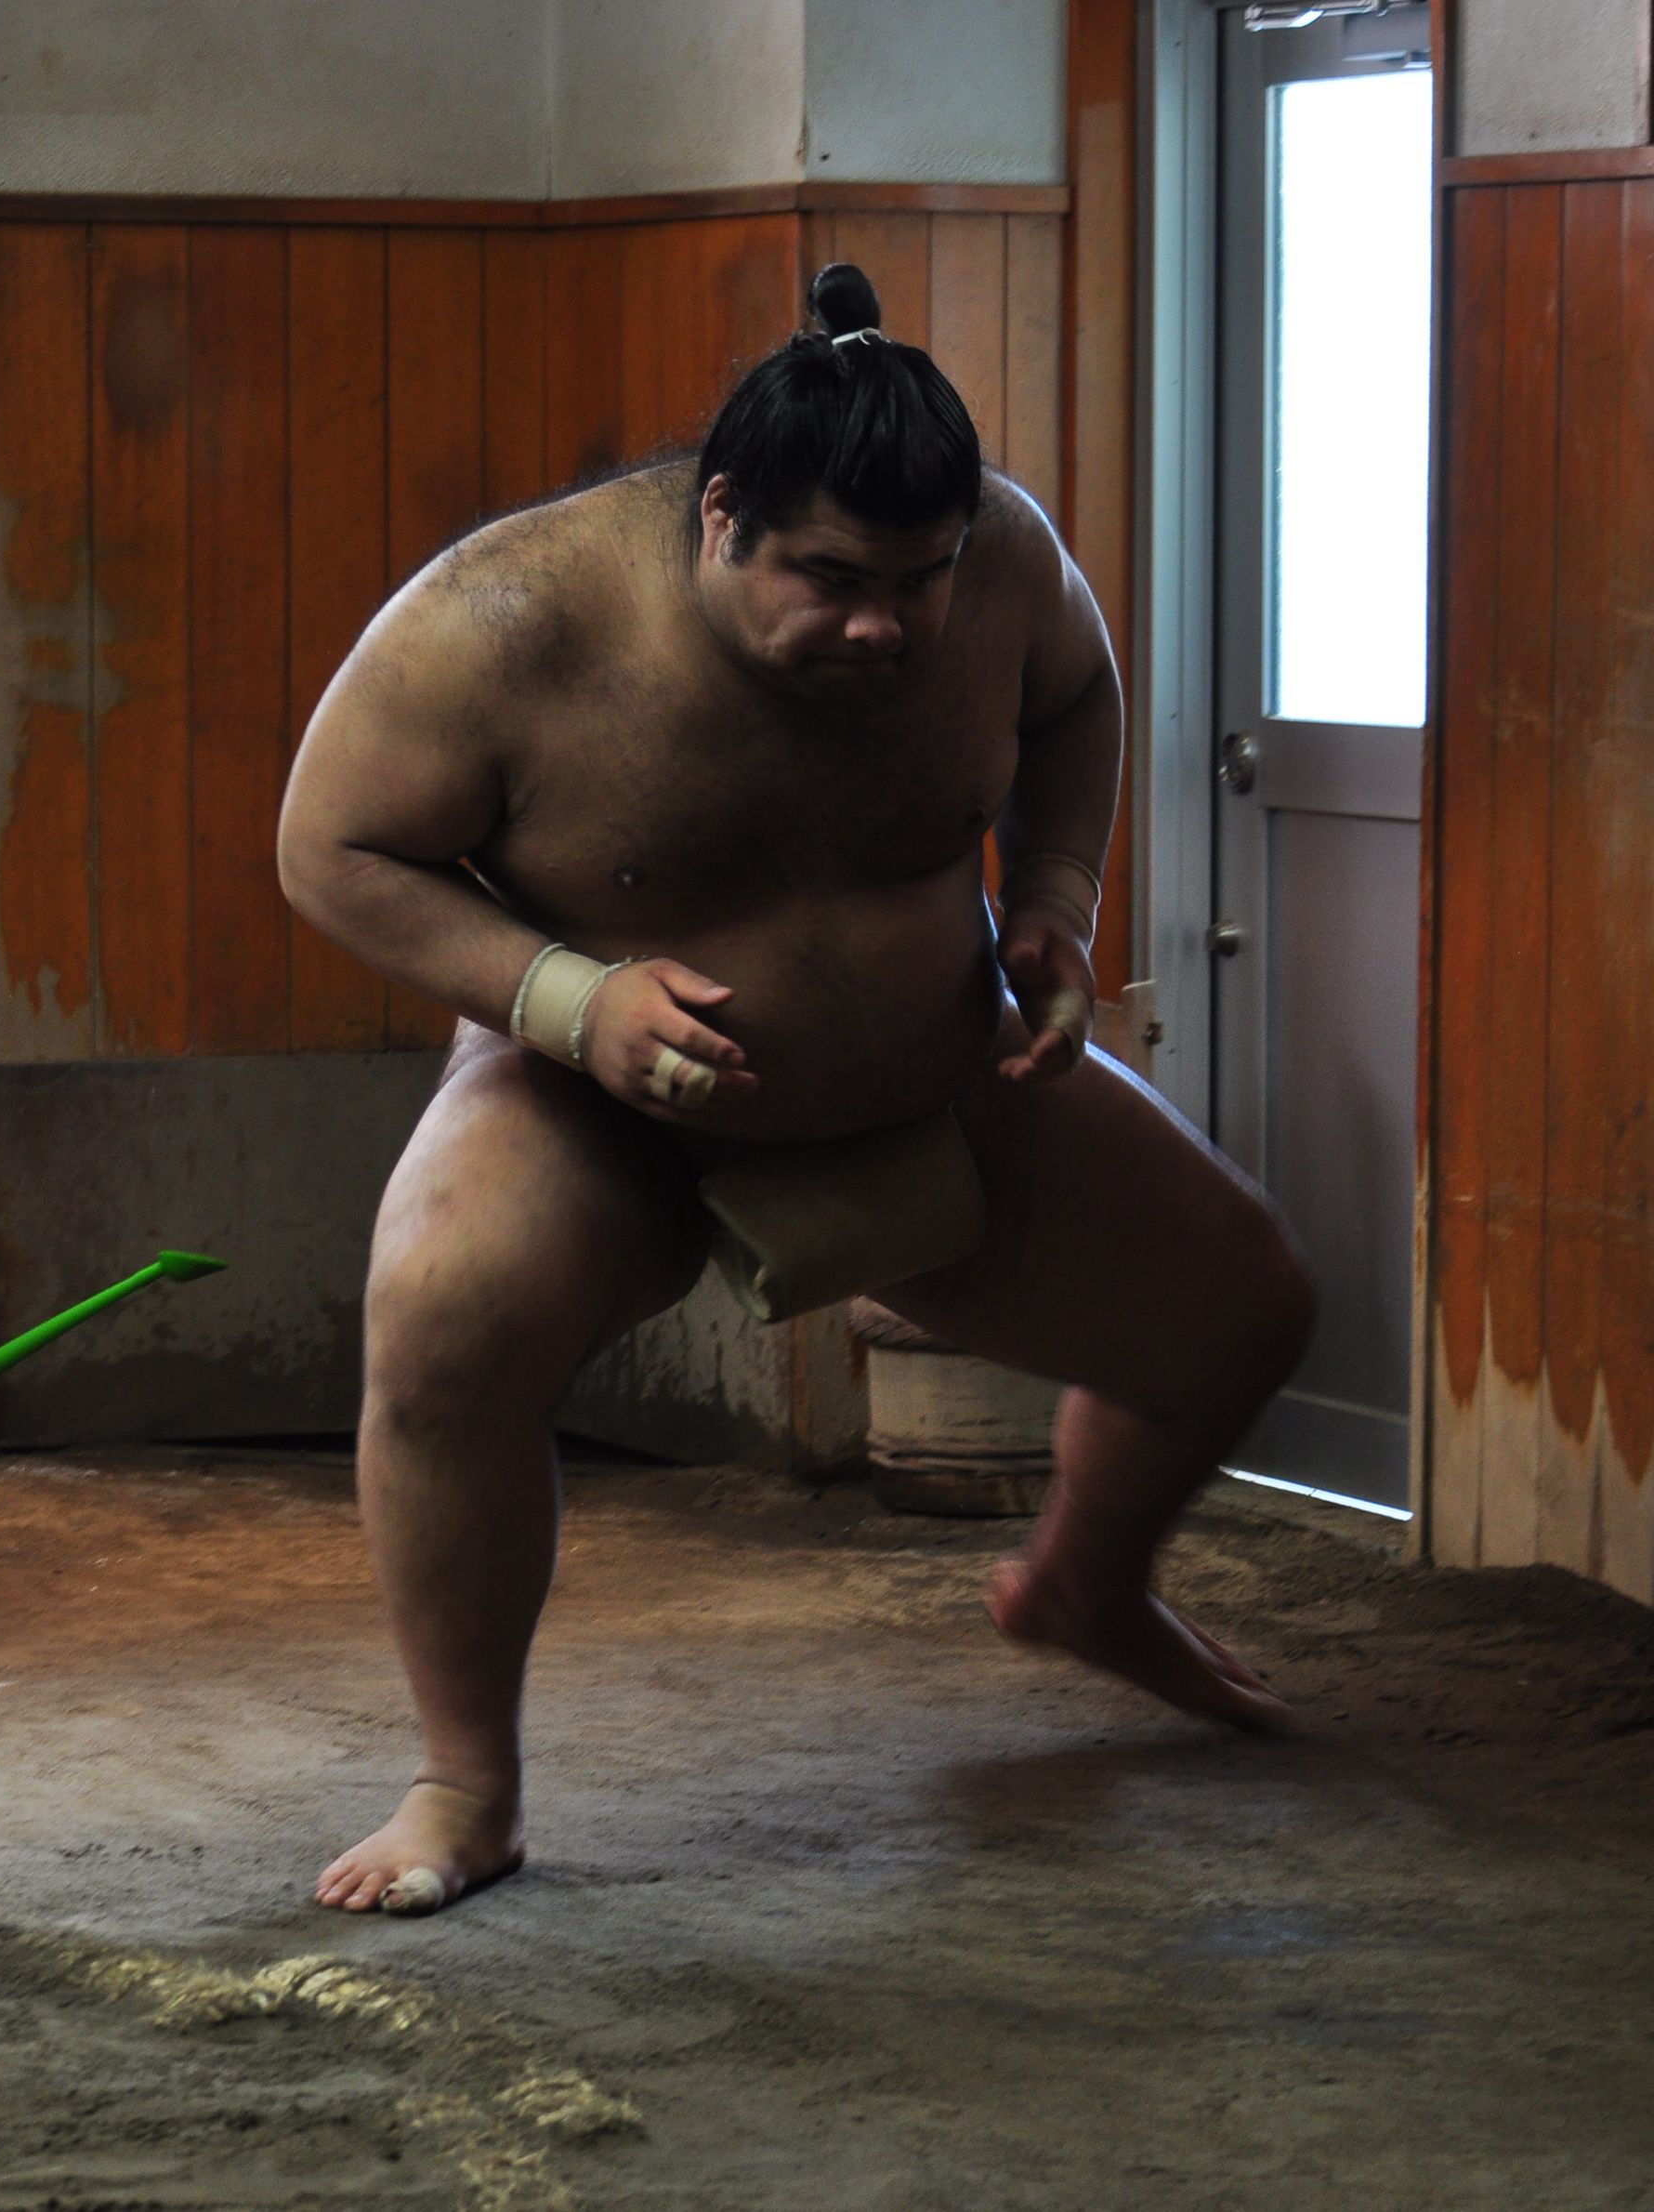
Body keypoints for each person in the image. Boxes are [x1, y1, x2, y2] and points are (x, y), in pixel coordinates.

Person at [277, 265, 1315, 1916]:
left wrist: (1053, 892)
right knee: (441, 1320)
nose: (883, 625)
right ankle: (465, 1785)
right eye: (830, 579)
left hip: (935, 1071)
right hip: (601, 1102)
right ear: (717, 522)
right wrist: (565, 997)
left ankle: (1087, 1583)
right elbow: (325, 847)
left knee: (1247, 1304)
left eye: (918, 581)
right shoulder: (510, 615)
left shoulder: (1007, 562)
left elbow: (1079, 692)